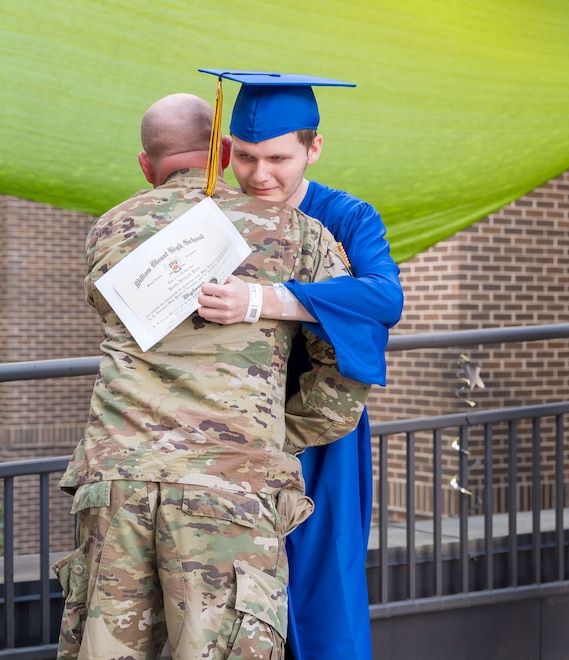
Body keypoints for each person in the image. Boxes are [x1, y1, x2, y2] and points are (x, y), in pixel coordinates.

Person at [51, 92, 370, 660]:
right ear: (225, 154)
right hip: (230, 488)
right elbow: (349, 356)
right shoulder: (298, 233)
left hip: (115, 480)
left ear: (146, 165)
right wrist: (273, 434)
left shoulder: (109, 230)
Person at [196, 70, 404, 660]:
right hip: (226, 427)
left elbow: (384, 297)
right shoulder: (211, 217)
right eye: (245, 157)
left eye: (279, 158)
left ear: (313, 148)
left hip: (319, 427)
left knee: (323, 581)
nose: (260, 175)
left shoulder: (347, 216)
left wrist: (262, 302)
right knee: (228, 588)